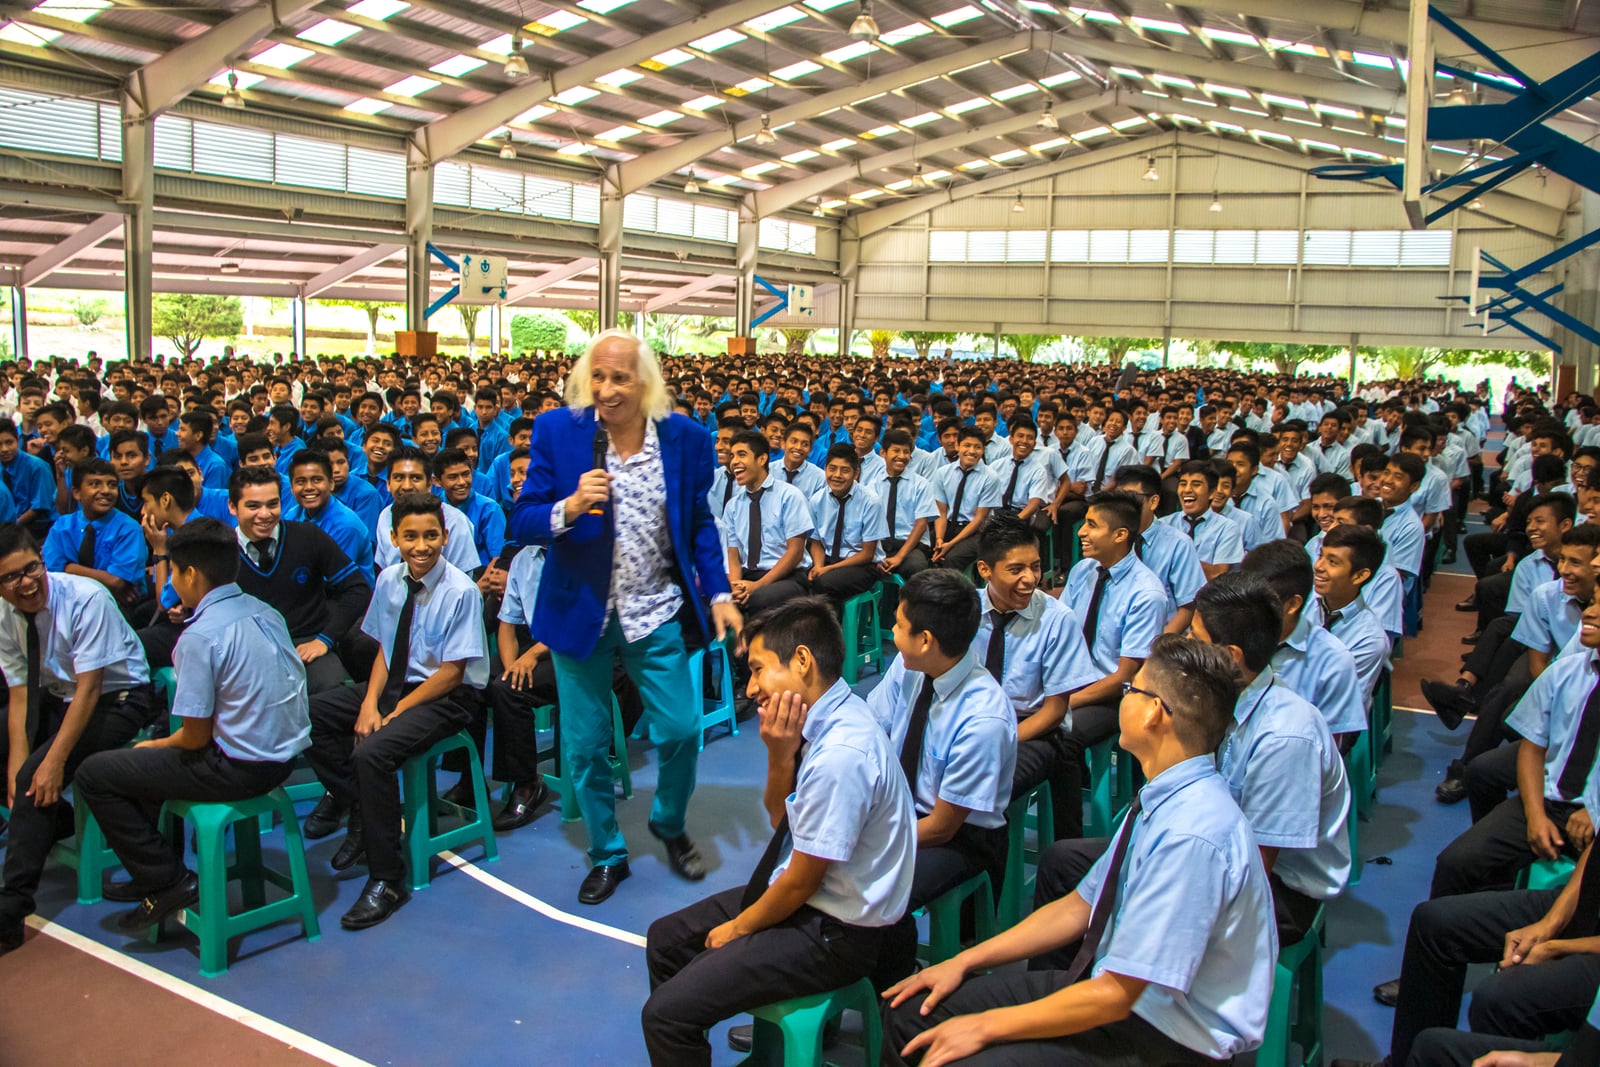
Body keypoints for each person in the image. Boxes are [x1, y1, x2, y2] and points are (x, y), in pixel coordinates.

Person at [882, 635, 1274, 1067]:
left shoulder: (1193, 835)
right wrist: (964, 960)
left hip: (1168, 1038)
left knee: (954, 1055)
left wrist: (986, 1026)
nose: (1125, 698)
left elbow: (1117, 995)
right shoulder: (1164, 796)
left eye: (1132, 690)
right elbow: (1079, 905)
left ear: (1154, 714)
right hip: (1124, 1000)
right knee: (911, 1012)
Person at [509, 330, 739, 906]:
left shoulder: (684, 439)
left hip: (654, 610)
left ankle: (668, 820)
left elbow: (699, 526)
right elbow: (524, 519)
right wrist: (569, 506)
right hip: (578, 612)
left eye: (620, 378)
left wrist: (718, 594)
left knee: (682, 729)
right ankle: (608, 852)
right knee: (585, 747)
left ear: (646, 382)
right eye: (598, 377)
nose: (607, 390)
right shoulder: (558, 431)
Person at [641, 599, 914, 1067]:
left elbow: (803, 879)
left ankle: (686, 1021)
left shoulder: (841, 753)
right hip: (809, 898)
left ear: (803, 661)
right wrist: (778, 754)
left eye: (758, 670)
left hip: (833, 931)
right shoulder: (821, 719)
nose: (751, 688)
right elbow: (779, 824)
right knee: (666, 940)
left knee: (666, 1016)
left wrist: (738, 928)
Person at [74, 518, 310, 935]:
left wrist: (158, 745)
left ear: (189, 574)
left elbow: (195, 737)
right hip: (284, 758)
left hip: (239, 767)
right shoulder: (265, 611)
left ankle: (169, 881)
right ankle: (156, 875)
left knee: (95, 773)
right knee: (148, 762)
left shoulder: (200, 636)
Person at [303, 493, 488, 930]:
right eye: (410, 537)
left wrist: (393, 713)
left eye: (430, 536)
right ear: (393, 538)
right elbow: (387, 649)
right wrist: (369, 702)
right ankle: (363, 810)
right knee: (308, 718)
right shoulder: (389, 580)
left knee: (373, 753)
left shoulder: (461, 591)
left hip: (446, 696)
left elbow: (452, 672)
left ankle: (387, 879)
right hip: (397, 682)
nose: (421, 546)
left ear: (445, 536)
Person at [0, 525, 156, 952]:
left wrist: (47, 763)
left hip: (117, 698)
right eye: (11, 578)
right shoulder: (4, 614)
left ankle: (10, 910)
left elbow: (89, 689)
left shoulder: (86, 597)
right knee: (20, 764)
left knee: (37, 773)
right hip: (58, 696)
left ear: (42, 559)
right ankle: (56, 819)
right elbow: (19, 695)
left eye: (32, 568)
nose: (27, 583)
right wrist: (18, 760)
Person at [867, 568, 1016, 979]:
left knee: (872, 883)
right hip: (903, 811)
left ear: (926, 639)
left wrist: (868, 839)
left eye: (898, 625)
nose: (893, 633)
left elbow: (943, 826)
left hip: (960, 837)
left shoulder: (982, 716)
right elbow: (873, 726)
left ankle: (888, 990)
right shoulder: (909, 666)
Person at [974, 511, 1097, 834]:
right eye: (1016, 570)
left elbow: (1055, 711)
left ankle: (993, 875)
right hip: (975, 723)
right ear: (985, 570)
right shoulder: (967, 613)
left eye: (1036, 566)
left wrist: (1001, 738)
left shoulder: (1057, 619)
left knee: (987, 782)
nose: (1029, 579)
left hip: (1035, 729)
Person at [1059, 491, 1169, 839]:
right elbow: (1059, 629)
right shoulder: (1083, 571)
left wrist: (1060, 703)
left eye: (1092, 525)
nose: (1081, 532)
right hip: (1071, 679)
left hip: (1115, 696)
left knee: (1062, 737)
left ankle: (1068, 840)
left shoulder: (1145, 592)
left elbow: (1124, 676)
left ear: (1121, 535)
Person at [228, 465, 370, 695]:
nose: (264, 514)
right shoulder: (222, 550)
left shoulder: (308, 536)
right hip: (248, 648)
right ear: (232, 506)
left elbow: (357, 589)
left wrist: (325, 639)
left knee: (329, 693)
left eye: (272, 504)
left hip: (307, 643)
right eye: (253, 506)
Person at [1242, 539, 1368, 743]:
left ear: (1292, 604)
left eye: (1257, 602)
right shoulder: (1233, 636)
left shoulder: (1333, 660)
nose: (1244, 611)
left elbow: (1330, 743)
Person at [40, 458, 148, 615]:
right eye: (95, 484)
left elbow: (117, 582)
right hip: (68, 604)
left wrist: (68, 567)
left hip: (115, 608)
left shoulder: (128, 528)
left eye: (111, 485)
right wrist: (104, 580)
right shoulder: (62, 526)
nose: (105, 490)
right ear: (77, 492)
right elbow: (53, 576)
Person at [1306, 523, 1393, 707]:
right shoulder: (1305, 603)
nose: (1318, 566)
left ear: (1359, 576)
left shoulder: (1369, 639)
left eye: (1332, 562)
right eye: (1320, 556)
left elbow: (1340, 704)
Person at [804, 443, 885, 611]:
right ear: (825, 469)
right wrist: (819, 566)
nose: (837, 475)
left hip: (862, 565)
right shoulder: (816, 500)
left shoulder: (871, 502)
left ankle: (827, 634)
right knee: (800, 581)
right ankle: (829, 632)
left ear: (856, 473)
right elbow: (816, 541)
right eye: (832, 469)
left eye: (845, 470)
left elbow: (867, 553)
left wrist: (827, 569)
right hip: (827, 560)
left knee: (824, 584)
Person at [1158, 459, 1245, 579]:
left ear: (1212, 493)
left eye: (1196, 484)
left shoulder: (1227, 528)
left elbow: (1218, 574)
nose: (1187, 490)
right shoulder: (1163, 524)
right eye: (1183, 484)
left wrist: (1174, 559)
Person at [871, 428, 937, 579]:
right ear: (883, 453)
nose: (902, 456)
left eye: (906, 452)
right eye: (896, 451)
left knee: (915, 567)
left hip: (911, 545)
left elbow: (921, 524)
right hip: (881, 544)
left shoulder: (921, 485)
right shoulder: (873, 485)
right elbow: (868, 523)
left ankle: (912, 603)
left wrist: (899, 557)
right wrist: (876, 555)